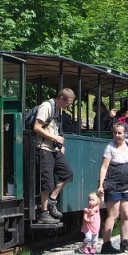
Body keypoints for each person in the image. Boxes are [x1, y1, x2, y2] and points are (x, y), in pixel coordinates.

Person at [33, 88, 75, 224]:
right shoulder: (46, 107)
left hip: (53, 149)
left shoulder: (58, 109)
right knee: (47, 182)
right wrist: (54, 138)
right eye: (68, 102)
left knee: (67, 173)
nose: (69, 105)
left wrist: (60, 143)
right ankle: (44, 213)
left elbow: (56, 129)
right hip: (43, 148)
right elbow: (37, 127)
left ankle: (52, 200)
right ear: (61, 98)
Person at [97, 122, 128, 253]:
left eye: (120, 133)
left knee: (125, 214)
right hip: (113, 183)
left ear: (125, 134)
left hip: (126, 184)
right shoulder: (110, 148)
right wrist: (101, 185)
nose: (117, 135)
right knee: (113, 214)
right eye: (115, 133)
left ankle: (124, 242)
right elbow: (104, 167)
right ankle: (106, 244)